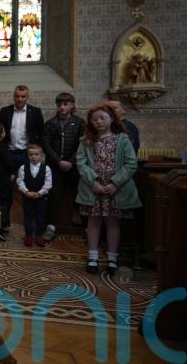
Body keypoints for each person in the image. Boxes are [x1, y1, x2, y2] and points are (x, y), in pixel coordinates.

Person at [76, 103, 141, 275]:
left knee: (113, 223)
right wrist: (93, 182)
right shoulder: (86, 141)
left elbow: (131, 163)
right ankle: (93, 257)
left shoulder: (122, 139)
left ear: (111, 119)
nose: (99, 122)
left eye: (102, 118)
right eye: (94, 119)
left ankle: (112, 258)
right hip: (94, 189)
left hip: (115, 190)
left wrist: (115, 183)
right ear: (90, 122)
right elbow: (81, 163)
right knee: (93, 223)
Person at [0, 85, 45, 222]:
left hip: (27, 155)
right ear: (14, 96)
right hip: (9, 154)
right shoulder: (5, 111)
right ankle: (4, 222)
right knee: (6, 190)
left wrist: (39, 153)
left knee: (29, 187)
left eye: (23, 96)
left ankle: (30, 221)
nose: (20, 99)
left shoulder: (35, 112)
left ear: (27, 97)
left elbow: (42, 133)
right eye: (17, 96)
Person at [41, 92, 86, 241]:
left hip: (74, 166)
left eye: (65, 104)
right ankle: (50, 227)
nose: (62, 107)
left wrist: (71, 161)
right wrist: (58, 161)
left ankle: (86, 228)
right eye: (59, 104)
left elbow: (82, 144)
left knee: (79, 194)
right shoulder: (50, 123)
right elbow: (46, 144)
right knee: (53, 196)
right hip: (55, 166)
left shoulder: (80, 123)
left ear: (72, 105)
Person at [17, 144, 52, 247]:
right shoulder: (23, 168)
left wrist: (40, 193)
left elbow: (48, 183)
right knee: (28, 216)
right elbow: (20, 181)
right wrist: (26, 192)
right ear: (28, 156)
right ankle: (28, 235)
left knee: (40, 217)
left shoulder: (46, 168)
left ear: (41, 155)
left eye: (36, 154)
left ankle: (38, 235)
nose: (33, 157)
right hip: (27, 197)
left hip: (41, 198)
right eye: (31, 154)